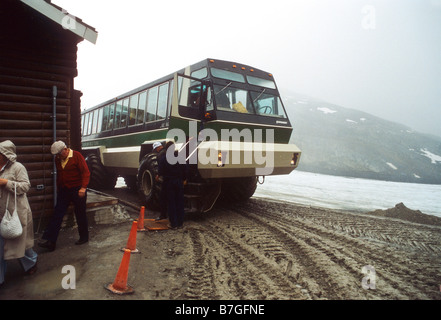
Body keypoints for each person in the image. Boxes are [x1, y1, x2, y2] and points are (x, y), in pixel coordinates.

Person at [39, 141, 90, 251]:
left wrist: (83, 188)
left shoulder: (77, 156)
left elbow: (85, 173)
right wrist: (59, 188)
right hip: (64, 190)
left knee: (80, 213)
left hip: (78, 189)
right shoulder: (58, 159)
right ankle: (50, 241)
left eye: (59, 154)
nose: (58, 157)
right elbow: (60, 175)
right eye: (56, 155)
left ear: (65, 150)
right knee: (57, 213)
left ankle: (84, 237)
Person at [0, 140, 38, 286]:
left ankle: (31, 263)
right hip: (1, 212)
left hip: (16, 212)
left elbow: (25, 186)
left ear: (5, 154)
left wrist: (6, 183)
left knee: (20, 242)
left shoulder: (18, 167)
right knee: (1, 247)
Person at [158, 141, 187, 229]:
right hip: (179, 182)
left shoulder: (163, 158)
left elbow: (160, 171)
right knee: (180, 202)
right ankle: (180, 223)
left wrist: (159, 175)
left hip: (168, 182)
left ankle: (173, 224)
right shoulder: (181, 157)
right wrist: (184, 179)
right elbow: (185, 169)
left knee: (171, 203)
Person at [153, 141, 168, 221]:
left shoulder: (160, 155)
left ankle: (163, 215)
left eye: (155, 149)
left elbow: (161, 167)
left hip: (167, 179)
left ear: (158, 147)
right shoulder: (169, 152)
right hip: (174, 178)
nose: (156, 151)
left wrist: (158, 175)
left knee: (163, 197)